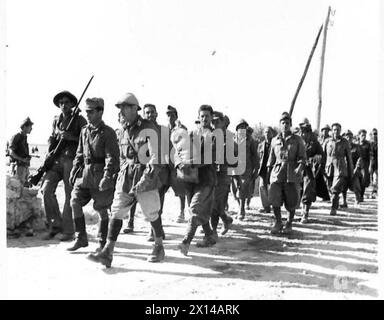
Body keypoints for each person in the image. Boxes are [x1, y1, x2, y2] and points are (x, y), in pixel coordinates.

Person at [87, 92, 165, 267]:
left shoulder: (148, 127)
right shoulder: (122, 130)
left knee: (151, 213)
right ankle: (108, 251)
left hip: (145, 175)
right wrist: (116, 175)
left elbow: (156, 156)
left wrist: (147, 178)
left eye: (124, 107)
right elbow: (121, 157)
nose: (121, 111)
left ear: (134, 109)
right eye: (119, 108)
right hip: (126, 177)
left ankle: (159, 246)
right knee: (117, 211)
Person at [67, 98, 120, 252]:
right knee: (74, 201)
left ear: (100, 111)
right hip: (84, 175)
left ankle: (103, 241)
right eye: (87, 111)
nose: (88, 114)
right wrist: (74, 169)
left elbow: (112, 158)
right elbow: (79, 153)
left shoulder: (108, 132)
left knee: (102, 209)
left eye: (91, 111)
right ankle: (81, 237)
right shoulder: (84, 131)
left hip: (100, 175)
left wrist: (107, 176)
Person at [41, 91, 87, 241]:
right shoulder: (56, 120)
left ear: (73, 104)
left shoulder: (80, 120)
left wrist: (71, 138)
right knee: (46, 189)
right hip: (56, 160)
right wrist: (50, 144)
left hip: (71, 160)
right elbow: (52, 137)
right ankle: (54, 225)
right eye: (61, 103)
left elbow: (87, 140)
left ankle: (68, 231)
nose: (64, 105)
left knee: (69, 194)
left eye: (67, 102)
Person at [176, 105, 217, 256]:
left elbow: (209, 158)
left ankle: (185, 242)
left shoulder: (215, 136)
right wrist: (179, 163)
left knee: (195, 209)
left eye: (207, 116)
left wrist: (190, 163)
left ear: (212, 117)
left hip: (206, 179)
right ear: (198, 117)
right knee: (198, 210)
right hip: (190, 179)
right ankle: (209, 236)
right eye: (202, 116)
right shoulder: (192, 133)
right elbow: (178, 150)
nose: (204, 119)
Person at [267, 112, 306, 234]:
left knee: (292, 200)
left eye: (287, 123)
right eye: (282, 123)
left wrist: (299, 168)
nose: (285, 125)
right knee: (274, 198)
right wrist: (268, 175)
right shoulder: (274, 140)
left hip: (291, 173)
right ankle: (278, 222)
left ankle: (289, 223)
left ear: (291, 124)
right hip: (277, 173)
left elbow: (303, 158)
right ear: (279, 124)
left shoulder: (297, 140)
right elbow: (271, 159)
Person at [142, 103, 168, 241]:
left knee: (159, 200)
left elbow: (169, 149)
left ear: (157, 114)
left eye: (152, 112)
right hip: (146, 170)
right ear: (143, 115)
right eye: (147, 112)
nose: (150, 115)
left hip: (161, 170)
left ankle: (156, 230)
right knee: (149, 200)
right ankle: (157, 229)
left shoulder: (163, 130)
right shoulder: (140, 130)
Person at [210, 111, 234, 239]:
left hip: (223, 175)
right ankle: (225, 219)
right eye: (212, 122)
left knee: (215, 203)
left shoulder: (229, 138)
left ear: (223, 123)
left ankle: (213, 231)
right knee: (214, 204)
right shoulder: (210, 136)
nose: (214, 125)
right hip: (211, 174)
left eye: (217, 122)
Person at [323, 123, 353, 216]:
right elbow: (323, 155)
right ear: (332, 131)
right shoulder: (327, 141)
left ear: (340, 131)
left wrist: (350, 171)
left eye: (338, 130)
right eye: (334, 130)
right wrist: (322, 168)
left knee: (335, 188)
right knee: (330, 187)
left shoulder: (344, 142)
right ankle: (335, 201)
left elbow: (349, 158)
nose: (336, 132)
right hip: (329, 167)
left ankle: (333, 208)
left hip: (340, 168)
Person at [232, 119, 258, 220]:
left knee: (242, 187)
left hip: (246, 167)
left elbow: (255, 156)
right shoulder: (233, 139)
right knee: (234, 189)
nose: (242, 129)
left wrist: (256, 168)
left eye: (244, 127)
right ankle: (239, 206)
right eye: (240, 127)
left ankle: (242, 209)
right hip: (234, 167)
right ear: (237, 129)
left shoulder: (250, 140)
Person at [298, 121, 324, 223]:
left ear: (309, 133)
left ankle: (305, 212)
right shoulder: (297, 142)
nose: (303, 134)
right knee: (296, 191)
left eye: (305, 132)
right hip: (298, 170)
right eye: (302, 132)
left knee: (308, 190)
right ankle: (298, 210)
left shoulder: (315, 144)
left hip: (310, 170)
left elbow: (321, 156)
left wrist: (315, 159)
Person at [166, 105, 188, 223]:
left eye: (172, 114)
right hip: (166, 164)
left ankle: (182, 212)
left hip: (177, 164)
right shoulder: (164, 129)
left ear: (176, 116)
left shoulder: (181, 128)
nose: (170, 117)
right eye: (168, 114)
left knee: (181, 190)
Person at [8, 117, 34, 187]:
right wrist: (22, 159)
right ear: (25, 127)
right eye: (30, 127)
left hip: (24, 167)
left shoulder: (24, 137)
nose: (31, 129)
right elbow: (11, 152)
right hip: (18, 167)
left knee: (24, 188)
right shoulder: (17, 136)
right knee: (17, 189)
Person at [341, 130, 363, 206]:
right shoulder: (342, 147)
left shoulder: (357, 147)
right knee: (343, 186)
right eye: (347, 136)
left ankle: (357, 200)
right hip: (344, 169)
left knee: (355, 185)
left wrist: (357, 168)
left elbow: (360, 158)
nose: (348, 138)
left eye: (350, 137)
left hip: (354, 169)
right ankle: (344, 201)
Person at [257, 126, 274, 214]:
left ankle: (274, 206)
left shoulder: (275, 144)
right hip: (263, 169)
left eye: (269, 132)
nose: (267, 134)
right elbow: (257, 158)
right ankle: (266, 206)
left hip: (273, 169)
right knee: (262, 187)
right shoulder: (260, 145)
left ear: (272, 133)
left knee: (273, 188)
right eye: (266, 132)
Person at [357, 129, 371, 201]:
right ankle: (357, 195)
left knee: (363, 180)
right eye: (362, 135)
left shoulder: (368, 144)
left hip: (365, 163)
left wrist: (370, 166)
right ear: (359, 135)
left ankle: (361, 196)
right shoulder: (356, 144)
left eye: (365, 135)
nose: (364, 137)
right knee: (356, 180)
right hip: (357, 164)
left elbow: (371, 156)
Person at [369, 128, 378, 199]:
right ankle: (373, 192)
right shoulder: (370, 144)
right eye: (373, 134)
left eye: (376, 134)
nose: (375, 135)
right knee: (373, 179)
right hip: (372, 164)